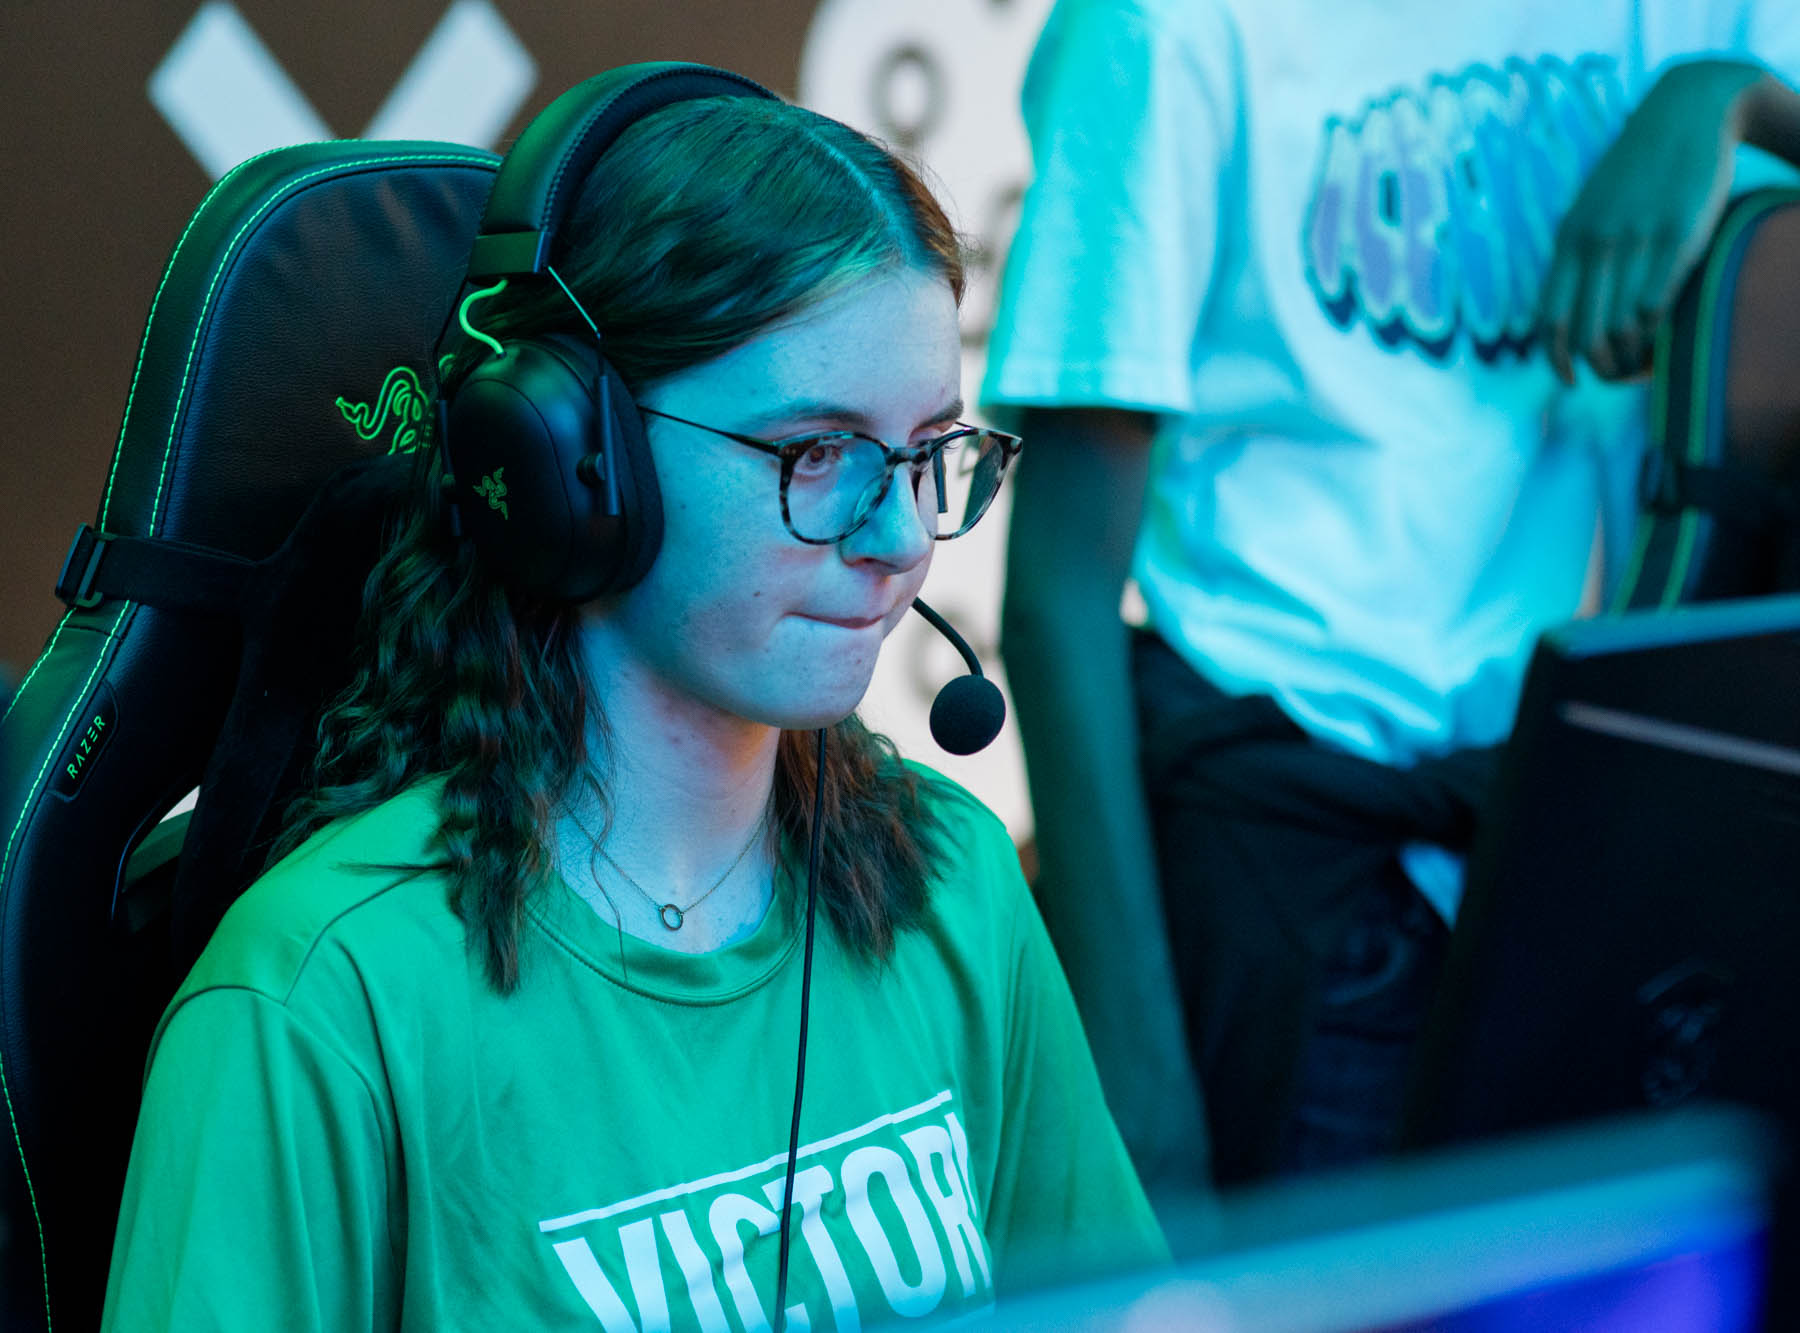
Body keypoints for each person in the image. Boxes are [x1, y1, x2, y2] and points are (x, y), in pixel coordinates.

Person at [102, 72, 1167, 1331]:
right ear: (566, 461)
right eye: (816, 454)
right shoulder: (323, 997)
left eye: (929, 451)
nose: (896, 537)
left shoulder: (951, 878)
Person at [987, 1, 1800, 1190]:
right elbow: (1056, 593)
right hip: (1299, 878)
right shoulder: (1160, 28)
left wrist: (1732, 97)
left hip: (1597, 856)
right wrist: (1134, 1079)